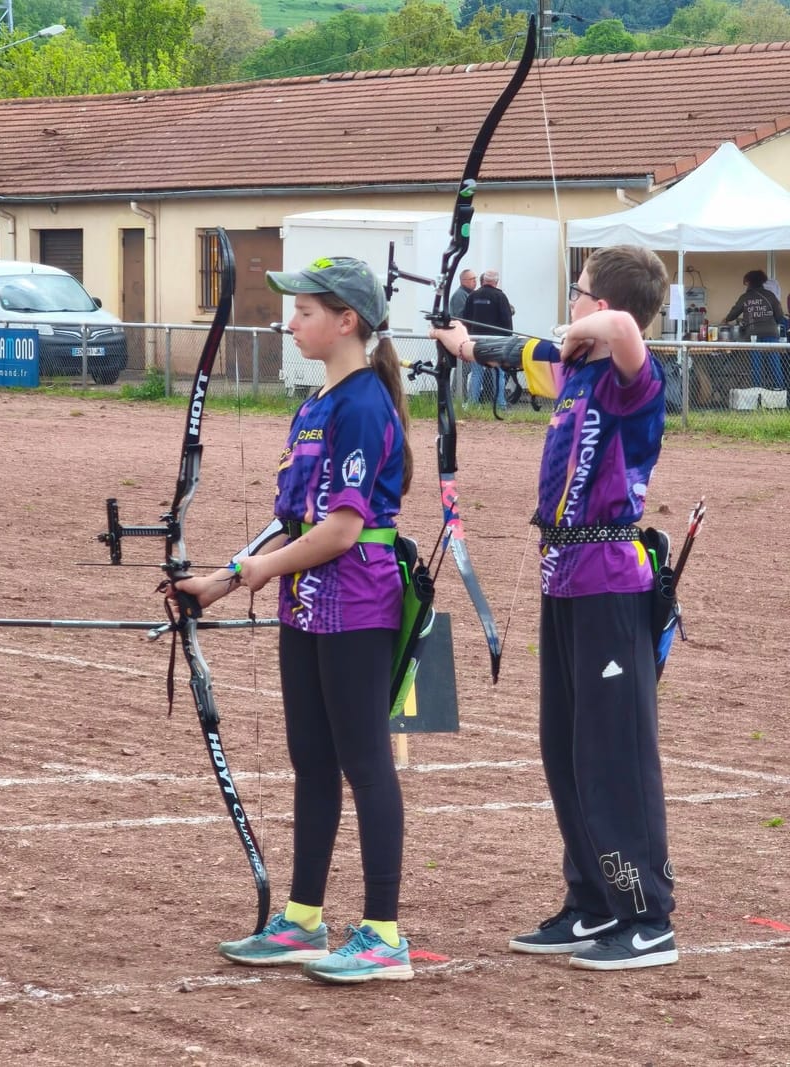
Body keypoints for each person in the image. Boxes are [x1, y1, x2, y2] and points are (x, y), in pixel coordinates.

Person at [431, 245, 678, 972]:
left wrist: (588, 327)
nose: (569, 303)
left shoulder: (635, 379)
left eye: (578, 292)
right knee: (566, 746)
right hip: (564, 576)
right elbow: (512, 351)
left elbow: (625, 330)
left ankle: (647, 915)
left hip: (610, 581)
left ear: (599, 306)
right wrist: (459, 341)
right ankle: (593, 900)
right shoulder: (573, 371)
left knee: (612, 752)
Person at [172, 257, 415, 985]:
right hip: (307, 603)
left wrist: (254, 571)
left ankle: (383, 934)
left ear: (346, 321)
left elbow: (342, 530)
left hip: (358, 604)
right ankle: (304, 919)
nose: (291, 322)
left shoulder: (364, 404)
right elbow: (295, 523)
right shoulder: (316, 405)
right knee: (312, 760)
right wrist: (219, 582)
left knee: (365, 764)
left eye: (305, 311)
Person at [724, 269, 784, 389]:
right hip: (771, 333)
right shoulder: (770, 295)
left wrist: (726, 319)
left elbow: (733, 314)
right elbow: (780, 317)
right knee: (775, 364)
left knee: (756, 366)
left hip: (753, 335)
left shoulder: (745, 297)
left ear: (749, 283)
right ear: (762, 282)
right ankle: (780, 391)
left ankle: (757, 391)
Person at [462, 269, 513, 407]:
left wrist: (467, 338)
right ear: (496, 282)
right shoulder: (500, 297)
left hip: (475, 340)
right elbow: (507, 321)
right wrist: (507, 340)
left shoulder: (472, 296)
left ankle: (473, 404)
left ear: (483, 280)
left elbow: (465, 319)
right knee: (498, 373)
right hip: (496, 341)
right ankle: (500, 404)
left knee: (476, 373)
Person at [449, 267, 477, 396]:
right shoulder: (460, 295)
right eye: (472, 279)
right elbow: (461, 317)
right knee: (463, 368)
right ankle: (458, 394)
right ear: (463, 281)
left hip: (468, 336)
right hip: (463, 337)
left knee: (466, 368)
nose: (475, 281)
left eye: (475, 278)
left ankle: (460, 394)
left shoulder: (470, 294)